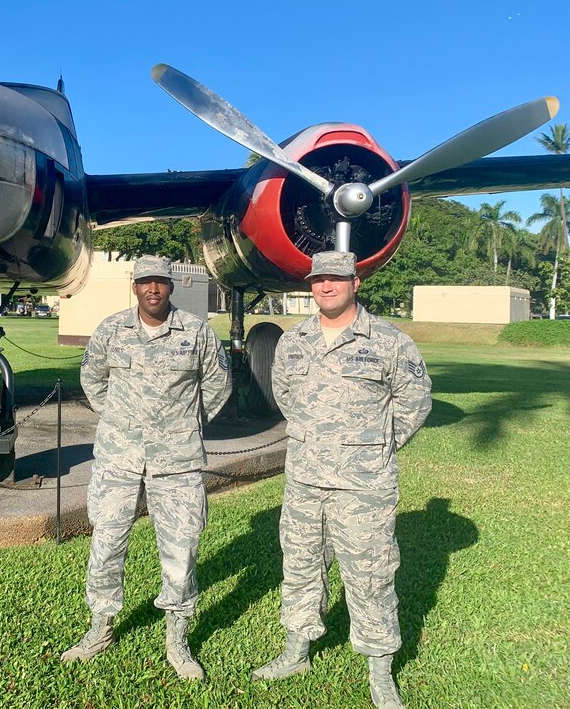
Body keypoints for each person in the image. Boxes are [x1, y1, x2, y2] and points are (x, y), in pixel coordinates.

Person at [254, 251, 431, 709]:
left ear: (356, 282)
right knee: (300, 566)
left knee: (370, 574)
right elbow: (285, 395)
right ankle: (297, 651)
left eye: (335, 279)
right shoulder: (294, 342)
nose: (325, 286)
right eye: (317, 280)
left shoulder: (389, 340)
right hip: (305, 480)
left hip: (364, 485)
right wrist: (319, 439)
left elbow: (415, 400)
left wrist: (373, 445)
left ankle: (380, 670)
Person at [62, 255, 232, 680]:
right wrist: (120, 421)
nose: (153, 289)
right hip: (119, 460)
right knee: (106, 546)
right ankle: (100, 629)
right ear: (134, 287)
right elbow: (92, 378)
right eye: (145, 282)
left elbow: (218, 384)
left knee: (181, 553)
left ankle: (177, 639)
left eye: (160, 282)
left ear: (171, 287)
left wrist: (185, 425)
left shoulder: (196, 333)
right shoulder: (111, 330)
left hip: (177, 464)